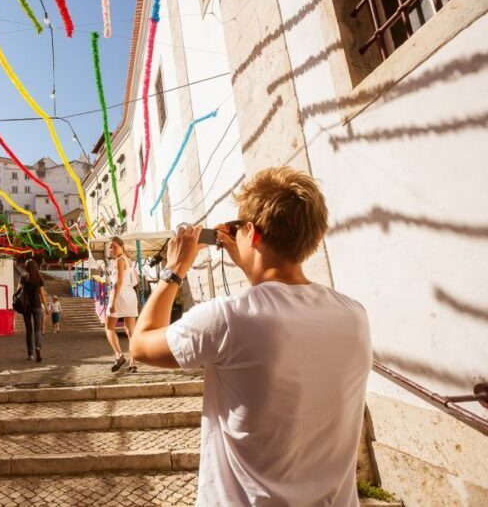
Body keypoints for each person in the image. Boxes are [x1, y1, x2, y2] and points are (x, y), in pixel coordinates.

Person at [130, 167, 372, 506]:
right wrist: (252, 262)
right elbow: (276, 302)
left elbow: (140, 345)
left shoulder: (227, 317)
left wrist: (175, 270)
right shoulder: (354, 316)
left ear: (251, 233)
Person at [105, 236, 140, 373]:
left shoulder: (119, 260)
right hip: (130, 295)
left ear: (121, 245)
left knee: (109, 327)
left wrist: (113, 301)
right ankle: (133, 363)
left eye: (114, 246)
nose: (112, 249)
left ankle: (119, 355)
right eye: (110, 247)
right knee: (131, 331)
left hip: (119, 295)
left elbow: (118, 282)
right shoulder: (129, 261)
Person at [17, 259, 49, 362]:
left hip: (26, 306)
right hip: (37, 306)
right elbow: (42, 294)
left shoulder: (23, 277)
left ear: (26, 267)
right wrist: (46, 307)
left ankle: (30, 354)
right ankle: (38, 347)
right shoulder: (39, 277)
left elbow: (18, 290)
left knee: (29, 331)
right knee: (38, 330)